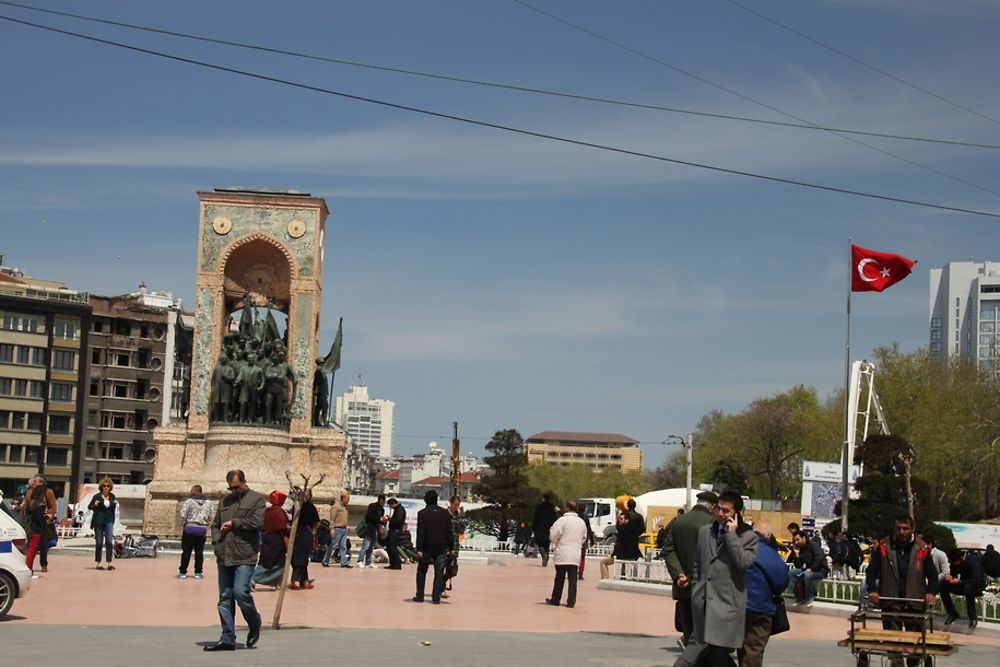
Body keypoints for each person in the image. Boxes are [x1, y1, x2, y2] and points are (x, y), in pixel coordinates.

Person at [676, 490, 758, 667]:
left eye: (726, 511)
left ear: (737, 514)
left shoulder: (748, 537)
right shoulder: (706, 532)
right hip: (703, 605)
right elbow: (697, 563)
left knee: (717, 657)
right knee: (699, 658)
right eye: (719, 509)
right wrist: (697, 586)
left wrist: (731, 536)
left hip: (727, 608)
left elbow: (743, 563)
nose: (721, 514)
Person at [864, 515, 938, 667]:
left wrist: (931, 592)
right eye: (898, 528)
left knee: (914, 644)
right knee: (893, 643)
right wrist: (873, 590)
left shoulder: (922, 548)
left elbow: (932, 575)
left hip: (915, 602)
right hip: (891, 601)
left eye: (905, 528)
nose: (901, 532)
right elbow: (871, 571)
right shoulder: (884, 546)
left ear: (912, 529)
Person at [205, 469, 265, 651]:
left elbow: (258, 522)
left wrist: (234, 523)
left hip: (245, 554)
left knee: (241, 592)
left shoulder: (257, 499)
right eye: (231, 488)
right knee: (224, 597)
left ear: (245, 482)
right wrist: (216, 541)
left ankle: (254, 622)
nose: (234, 491)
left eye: (237, 487)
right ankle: (227, 638)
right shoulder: (225, 501)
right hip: (224, 554)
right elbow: (215, 524)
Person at [663, 490, 718, 649]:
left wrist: (679, 574)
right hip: (706, 588)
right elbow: (713, 555)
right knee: (705, 638)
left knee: (689, 632)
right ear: (713, 507)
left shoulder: (679, 522)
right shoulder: (713, 524)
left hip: (683, 588)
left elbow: (668, 549)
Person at [740, 522, 790, 667]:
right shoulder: (766, 552)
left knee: (740, 647)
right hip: (759, 607)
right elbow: (781, 579)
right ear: (768, 536)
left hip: (734, 605)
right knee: (754, 648)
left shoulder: (737, 545)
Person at [413, 489, 455, 605]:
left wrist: (419, 548)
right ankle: (436, 598)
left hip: (426, 547)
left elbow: (420, 532)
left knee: (422, 571)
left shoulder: (422, 513)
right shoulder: (445, 513)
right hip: (441, 547)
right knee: (439, 572)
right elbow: (449, 532)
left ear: (426, 500)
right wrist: (451, 548)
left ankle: (420, 596)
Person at [545, 500, 589, 608]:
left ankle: (556, 599)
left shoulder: (562, 520)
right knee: (573, 578)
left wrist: (557, 541)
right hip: (575, 552)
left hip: (563, 551)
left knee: (559, 577)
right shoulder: (581, 522)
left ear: (567, 508)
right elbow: (584, 537)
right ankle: (571, 601)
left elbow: (553, 535)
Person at [252, 490, 289, 589]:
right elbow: (281, 526)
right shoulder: (279, 512)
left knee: (270, 560)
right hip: (276, 540)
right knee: (275, 561)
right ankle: (253, 579)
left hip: (267, 538)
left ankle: (277, 582)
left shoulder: (268, 511)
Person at [940, 548, 984, 629]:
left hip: (975, 586)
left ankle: (972, 616)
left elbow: (976, 580)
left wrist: (960, 582)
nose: (955, 564)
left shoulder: (972, 561)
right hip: (963, 584)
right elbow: (953, 573)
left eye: (955, 562)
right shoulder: (955, 562)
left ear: (960, 558)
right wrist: (950, 578)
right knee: (943, 585)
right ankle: (952, 613)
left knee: (968, 587)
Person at [22, 475, 57, 574]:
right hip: (36, 522)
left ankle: (43, 564)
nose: (33, 483)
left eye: (35, 481)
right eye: (33, 481)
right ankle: (29, 567)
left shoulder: (48, 492)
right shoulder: (30, 492)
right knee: (32, 546)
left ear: (41, 483)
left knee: (44, 545)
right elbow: (27, 507)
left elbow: (53, 507)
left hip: (44, 522)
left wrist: (48, 514)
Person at [177, 484, 213, 580]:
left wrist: (184, 523)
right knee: (199, 552)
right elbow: (210, 517)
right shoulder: (208, 503)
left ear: (194, 491)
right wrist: (205, 525)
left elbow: (183, 514)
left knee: (186, 551)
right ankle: (198, 572)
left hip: (190, 528)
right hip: (201, 530)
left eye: (191, 490)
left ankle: (182, 572)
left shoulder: (189, 501)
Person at [789, 530, 828, 606]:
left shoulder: (813, 545)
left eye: (798, 539)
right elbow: (798, 566)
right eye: (795, 540)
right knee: (792, 573)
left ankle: (809, 597)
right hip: (808, 569)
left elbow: (819, 557)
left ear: (803, 538)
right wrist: (797, 554)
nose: (796, 542)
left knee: (807, 575)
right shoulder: (801, 548)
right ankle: (799, 597)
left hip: (820, 570)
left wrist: (811, 569)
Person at [289, 496, 320, 590]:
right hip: (306, 532)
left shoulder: (296, 506)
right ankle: (295, 581)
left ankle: (303, 581)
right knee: (302, 558)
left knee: (296, 557)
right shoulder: (310, 506)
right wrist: (314, 531)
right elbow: (317, 521)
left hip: (296, 531)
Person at [89, 477, 118, 571]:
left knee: (109, 541)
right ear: (101, 487)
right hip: (98, 521)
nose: (106, 488)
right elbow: (89, 506)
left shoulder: (112, 496)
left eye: (108, 486)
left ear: (110, 487)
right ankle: (98, 563)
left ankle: (109, 563)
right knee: (99, 543)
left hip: (109, 521)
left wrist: (115, 503)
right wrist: (95, 505)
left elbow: (113, 505)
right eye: (104, 486)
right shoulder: (97, 496)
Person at [323, 491, 351, 568]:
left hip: (343, 529)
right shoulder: (336, 507)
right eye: (348, 499)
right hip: (337, 529)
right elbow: (332, 518)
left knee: (343, 546)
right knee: (332, 545)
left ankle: (343, 562)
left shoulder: (344, 508)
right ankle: (325, 560)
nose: (348, 501)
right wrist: (332, 528)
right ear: (343, 499)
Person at [358, 494, 387, 568]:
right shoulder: (372, 506)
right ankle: (360, 560)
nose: (382, 504)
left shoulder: (382, 510)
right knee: (366, 545)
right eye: (382, 502)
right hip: (369, 528)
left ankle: (368, 562)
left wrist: (383, 521)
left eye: (384, 502)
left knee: (371, 546)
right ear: (379, 500)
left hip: (375, 529)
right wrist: (379, 519)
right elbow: (368, 516)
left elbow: (380, 521)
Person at [532, 492, 559, 566]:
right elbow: (555, 518)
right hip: (549, 528)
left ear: (543, 498)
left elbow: (535, 518)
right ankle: (546, 556)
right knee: (546, 544)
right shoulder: (552, 507)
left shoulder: (539, 507)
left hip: (539, 528)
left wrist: (533, 527)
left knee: (539, 543)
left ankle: (544, 555)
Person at [385, 498, 406, 570]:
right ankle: (393, 563)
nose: (390, 508)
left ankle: (397, 564)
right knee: (389, 546)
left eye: (390, 506)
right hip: (393, 530)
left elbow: (398, 520)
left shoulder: (400, 509)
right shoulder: (397, 509)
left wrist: (389, 519)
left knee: (392, 547)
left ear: (393, 504)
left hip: (396, 530)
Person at [577, 504, 594, 580]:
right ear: (585, 509)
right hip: (584, 539)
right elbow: (589, 529)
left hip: (576, 538)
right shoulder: (586, 517)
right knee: (582, 557)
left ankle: (574, 571)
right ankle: (580, 572)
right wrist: (592, 540)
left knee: (575, 556)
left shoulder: (576, 517)